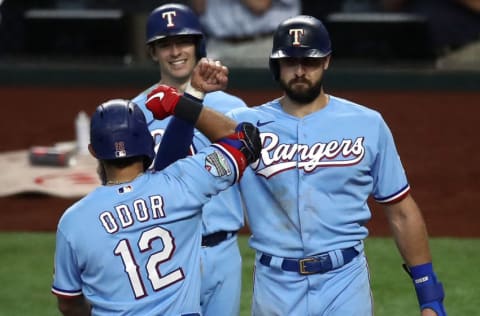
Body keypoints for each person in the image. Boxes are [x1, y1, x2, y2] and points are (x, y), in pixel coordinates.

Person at [160, 15, 447, 316]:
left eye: (309, 62)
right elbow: (169, 167)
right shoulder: (244, 126)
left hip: (345, 281)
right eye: (290, 62)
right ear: (276, 65)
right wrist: (193, 96)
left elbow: (401, 210)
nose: (299, 71)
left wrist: (428, 293)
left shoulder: (367, 123)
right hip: (275, 284)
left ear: (326, 62)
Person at [51, 80, 262, 315]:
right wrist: (181, 104)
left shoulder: (74, 222)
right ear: (149, 142)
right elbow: (246, 140)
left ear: (93, 151)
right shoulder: (184, 184)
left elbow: (68, 302)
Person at [131, 4, 247, 316]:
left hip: (222, 252)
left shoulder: (230, 107)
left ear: (197, 45)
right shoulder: (135, 112)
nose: (175, 52)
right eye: (164, 45)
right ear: (153, 52)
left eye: (182, 42)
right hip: (166, 256)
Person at [190, 0, 300, 68]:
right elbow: (199, 7)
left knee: (266, 99)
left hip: (262, 45)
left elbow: (260, 5)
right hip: (219, 45)